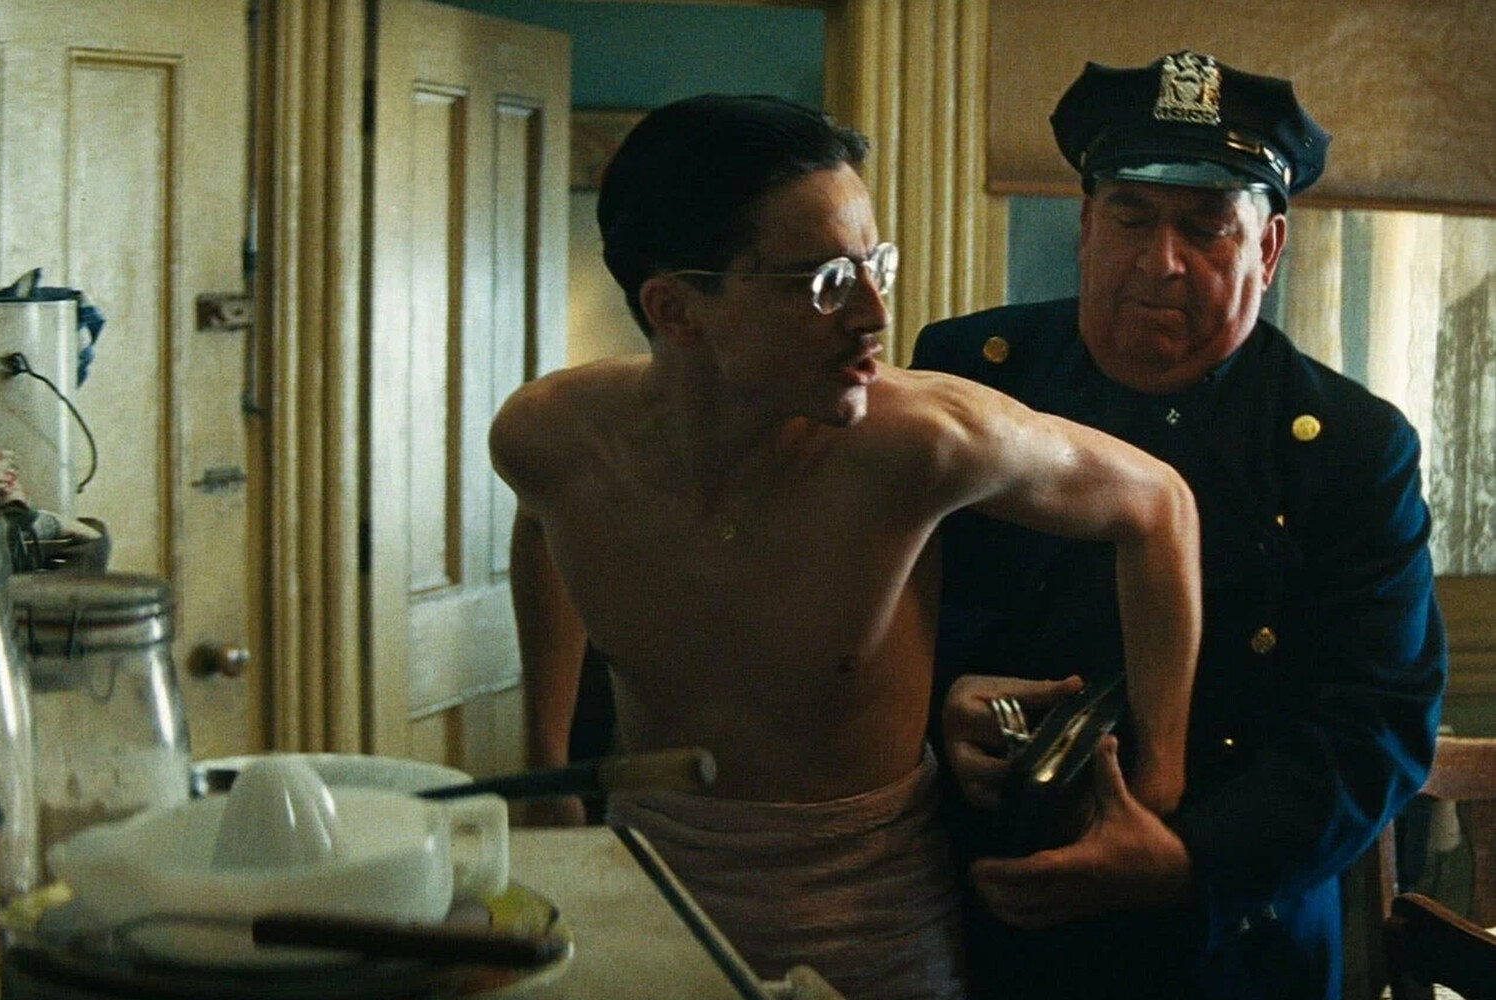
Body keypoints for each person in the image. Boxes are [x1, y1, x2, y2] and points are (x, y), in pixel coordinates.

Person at [490, 93, 1203, 1000]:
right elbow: (544, 522)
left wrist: (1159, 784)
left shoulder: (922, 444)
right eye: (827, 280)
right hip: (646, 880)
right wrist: (549, 759)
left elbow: (1160, 505)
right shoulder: (551, 438)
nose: (874, 313)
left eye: (876, 265)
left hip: (868, 913)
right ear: (676, 309)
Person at [912, 52, 1448, 1000]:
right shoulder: (970, 378)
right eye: (1131, 218)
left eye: (1206, 228)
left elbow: (1379, 722)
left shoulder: (1350, 448)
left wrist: (1189, 860)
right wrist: (937, 709)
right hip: (978, 919)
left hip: (1233, 939)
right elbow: (869, 622)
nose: (1161, 262)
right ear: (1086, 225)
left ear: (1268, 250)